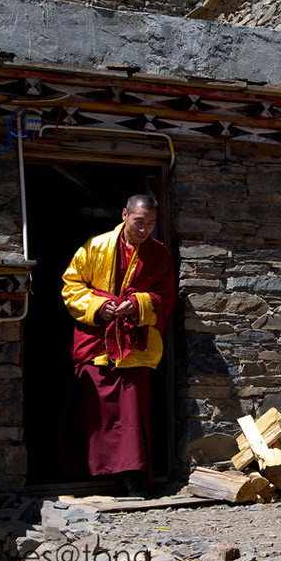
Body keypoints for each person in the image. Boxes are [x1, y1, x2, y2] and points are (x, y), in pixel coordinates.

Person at [61, 194, 176, 497]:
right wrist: (99, 306)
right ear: (125, 215)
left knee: (131, 413)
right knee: (94, 408)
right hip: (97, 341)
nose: (145, 230)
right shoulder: (95, 247)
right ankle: (90, 473)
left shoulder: (159, 255)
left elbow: (166, 296)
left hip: (133, 345)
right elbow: (71, 286)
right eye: (140, 222)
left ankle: (132, 476)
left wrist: (137, 305)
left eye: (151, 224)